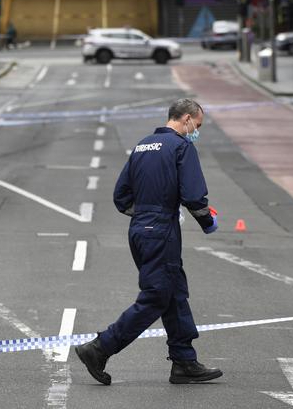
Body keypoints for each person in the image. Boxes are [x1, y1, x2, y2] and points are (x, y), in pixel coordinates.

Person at [75, 98, 222, 386]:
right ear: (187, 119)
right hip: (161, 230)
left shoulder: (142, 146)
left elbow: (121, 197)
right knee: (157, 295)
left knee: (174, 292)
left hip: (140, 229)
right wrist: (207, 222)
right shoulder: (182, 147)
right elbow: (193, 196)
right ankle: (100, 348)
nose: (197, 131)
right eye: (198, 125)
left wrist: (145, 212)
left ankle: (184, 362)